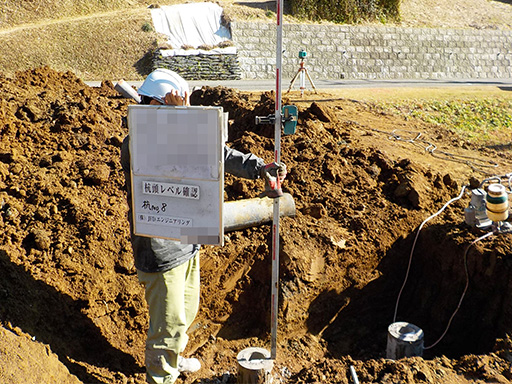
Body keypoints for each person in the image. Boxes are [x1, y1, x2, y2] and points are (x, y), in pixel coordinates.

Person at [120, 68, 286, 384]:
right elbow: (154, 154)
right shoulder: (136, 143)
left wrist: (258, 167)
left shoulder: (181, 134)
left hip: (188, 238)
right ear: (154, 105)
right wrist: (176, 120)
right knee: (167, 325)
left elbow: (216, 154)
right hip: (160, 250)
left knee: (186, 311)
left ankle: (174, 358)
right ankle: (161, 377)